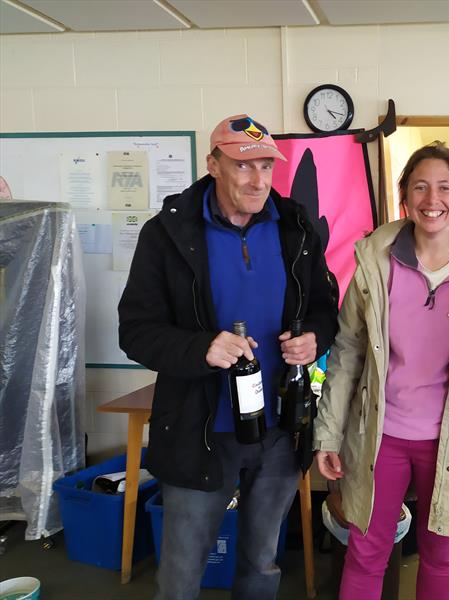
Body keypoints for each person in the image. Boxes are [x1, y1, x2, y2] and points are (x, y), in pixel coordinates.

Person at [118, 114, 339, 600]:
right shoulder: (167, 234)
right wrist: (203, 348)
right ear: (213, 164)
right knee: (181, 570)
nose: (259, 180)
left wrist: (315, 340)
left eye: (266, 165)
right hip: (200, 430)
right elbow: (135, 332)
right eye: (243, 166)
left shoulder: (295, 228)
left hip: (281, 428)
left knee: (262, 562)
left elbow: (325, 308)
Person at [314, 142, 449, 600]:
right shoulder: (374, 261)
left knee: (441, 554)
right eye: (420, 187)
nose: (433, 200)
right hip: (380, 433)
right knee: (367, 552)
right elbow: (347, 352)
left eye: (445, 187)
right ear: (404, 198)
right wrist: (328, 434)